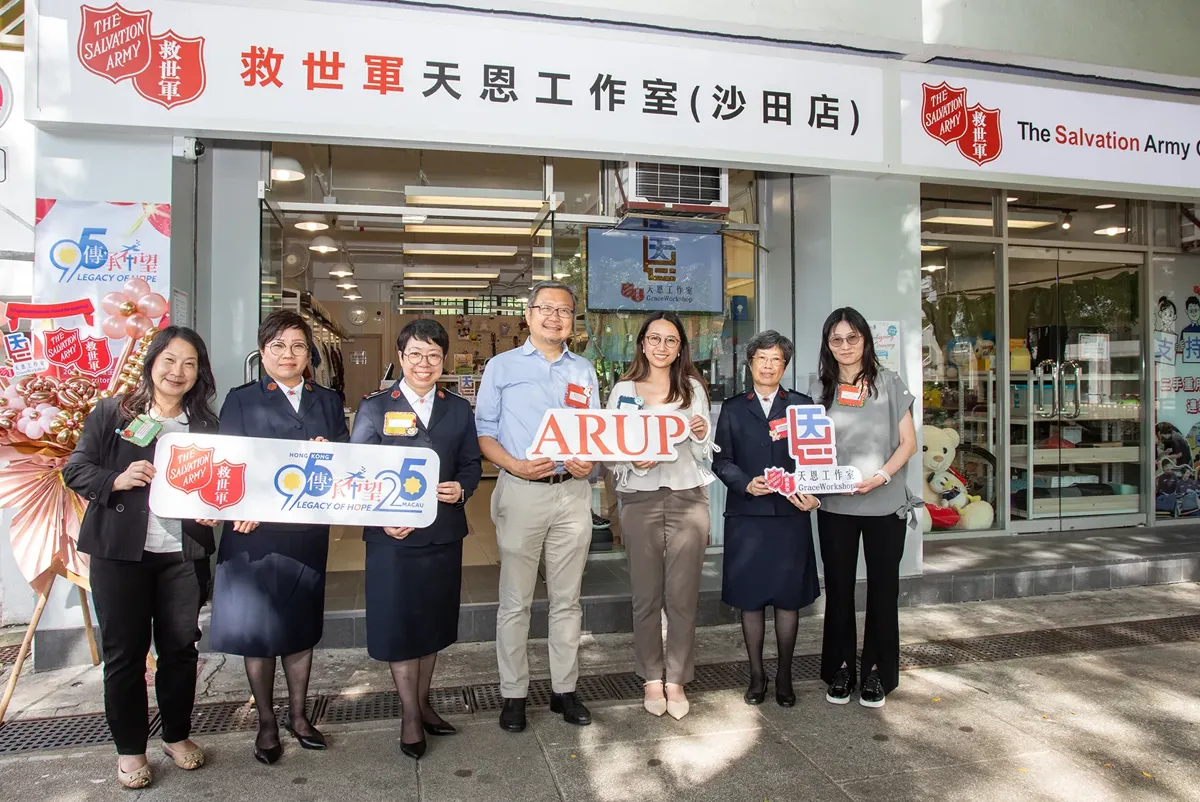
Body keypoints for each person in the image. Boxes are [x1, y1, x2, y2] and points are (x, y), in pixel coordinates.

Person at [63, 327, 218, 789]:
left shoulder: (206, 424)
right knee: (125, 655)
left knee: (179, 650)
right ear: (152, 362)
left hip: (182, 554)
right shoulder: (113, 412)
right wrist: (116, 478)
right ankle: (130, 750)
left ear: (199, 372)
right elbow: (76, 468)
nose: (178, 372)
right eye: (170, 360)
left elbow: (222, 483)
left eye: (189, 363)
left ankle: (176, 735)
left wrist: (215, 510)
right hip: (120, 555)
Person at [208, 310, 349, 764]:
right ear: (262, 351)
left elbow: (346, 456)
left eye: (298, 346)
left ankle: (300, 716)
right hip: (255, 533)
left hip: (306, 531)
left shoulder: (327, 399)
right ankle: (267, 721)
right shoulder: (242, 399)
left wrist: (335, 454)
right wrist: (237, 509)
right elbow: (226, 462)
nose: (288, 355)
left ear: (310, 354)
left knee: (300, 626)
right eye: (278, 346)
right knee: (260, 630)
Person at [350, 319, 482, 761]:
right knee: (399, 624)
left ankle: (423, 704)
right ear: (401, 358)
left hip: (442, 533)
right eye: (415, 355)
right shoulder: (375, 408)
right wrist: (381, 515)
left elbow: (470, 465)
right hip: (393, 539)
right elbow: (358, 472)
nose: (424, 364)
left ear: (443, 360)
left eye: (433, 356)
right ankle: (410, 714)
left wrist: (462, 489)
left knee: (430, 623)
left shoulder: (458, 409)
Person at [475, 280, 598, 733]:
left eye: (564, 311)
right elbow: (484, 431)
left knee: (568, 600)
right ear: (528, 315)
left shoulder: (584, 371)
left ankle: (564, 690)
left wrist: (590, 462)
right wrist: (515, 465)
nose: (555, 317)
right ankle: (513, 694)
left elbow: (592, 432)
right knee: (515, 601)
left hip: (572, 493)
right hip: (521, 490)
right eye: (545, 309)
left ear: (572, 321)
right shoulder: (501, 367)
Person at [605, 312, 715, 720]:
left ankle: (677, 678)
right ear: (642, 343)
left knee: (683, 596)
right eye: (655, 339)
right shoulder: (623, 390)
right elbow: (611, 452)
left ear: (681, 347)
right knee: (646, 595)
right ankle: (652, 676)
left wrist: (702, 435)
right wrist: (636, 462)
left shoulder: (692, 390)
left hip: (688, 497)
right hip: (639, 499)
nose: (662, 346)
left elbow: (707, 451)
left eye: (671, 340)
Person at [811, 306, 918, 709]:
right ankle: (840, 668)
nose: (844, 346)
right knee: (837, 590)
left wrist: (883, 477)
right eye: (835, 339)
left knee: (882, 590)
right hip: (835, 504)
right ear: (828, 345)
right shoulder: (818, 387)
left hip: (884, 502)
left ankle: (877, 673)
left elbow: (907, 443)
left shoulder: (889, 383)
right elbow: (808, 448)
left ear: (865, 340)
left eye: (851, 338)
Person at [712, 330, 821, 708]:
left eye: (776, 360)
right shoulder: (732, 408)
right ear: (750, 363)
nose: (768, 365)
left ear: (784, 365)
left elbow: (816, 460)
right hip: (747, 515)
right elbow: (721, 460)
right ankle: (757, 675)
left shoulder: (803, 406)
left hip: (790, 516)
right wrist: (745, 483)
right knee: (751, 600)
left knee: (788, 601)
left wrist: (814, 494)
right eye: (762, 358)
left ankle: (786, 674)